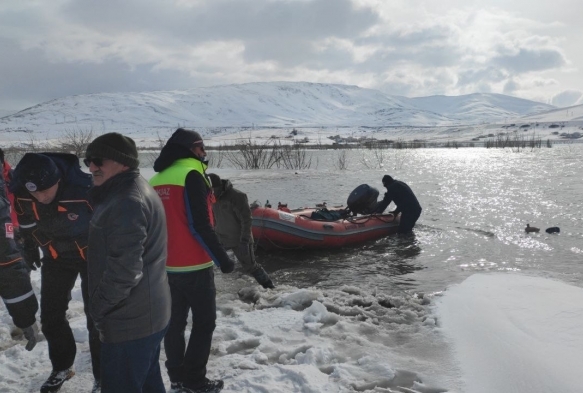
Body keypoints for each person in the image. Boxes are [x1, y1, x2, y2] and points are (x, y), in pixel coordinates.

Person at [84, 133, 171, 393]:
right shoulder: (126, 191)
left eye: (98, 160)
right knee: (147, 384)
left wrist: (98, 309)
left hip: (130, 322)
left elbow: (126, 271)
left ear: (122, 162)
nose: (91, 167)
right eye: (88, 160)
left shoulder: (125, 201)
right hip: (146, 315)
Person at [150, 128, 235, 393]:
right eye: (201, 147)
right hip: (195, 265)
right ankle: (195, 380)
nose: (205, 152)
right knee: (204, 323)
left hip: (164, 267)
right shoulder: (193, 175)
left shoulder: (155, 179)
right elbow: (200, 224)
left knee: (173, 325)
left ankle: (176, 378)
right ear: (191, 149)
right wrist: (223, 259)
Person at [10, 152, 101, 393]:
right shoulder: (23, 192)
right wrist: (29, 247)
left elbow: (109, 223)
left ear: (58, 180)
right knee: (51, 316)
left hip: (92, 257)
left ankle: (103, 376)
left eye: (45, 190)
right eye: (35, 193)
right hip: (56, 256)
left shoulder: (85, 190)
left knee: (97, 319)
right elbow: (26, 221)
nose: (41, 197)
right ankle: (62, 366)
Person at [0, 151, 39, 351]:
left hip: (16, 234)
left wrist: (29, 236)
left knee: (20, 274)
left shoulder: (14, 177)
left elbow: (26, 206)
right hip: (6, 238)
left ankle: (23, 323)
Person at [207, 173, 274, 289]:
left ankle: (269, 287)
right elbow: (213, 218)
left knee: (251, 266)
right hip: (220, 237)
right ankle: (209, 290)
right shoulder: (211, 197)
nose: (213, 193)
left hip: (239, 238)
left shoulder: (237, 197)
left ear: (220, 186)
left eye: (214, 190)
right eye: (210, 190)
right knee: (207, 264)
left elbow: (246, 220)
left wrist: (244, 241)